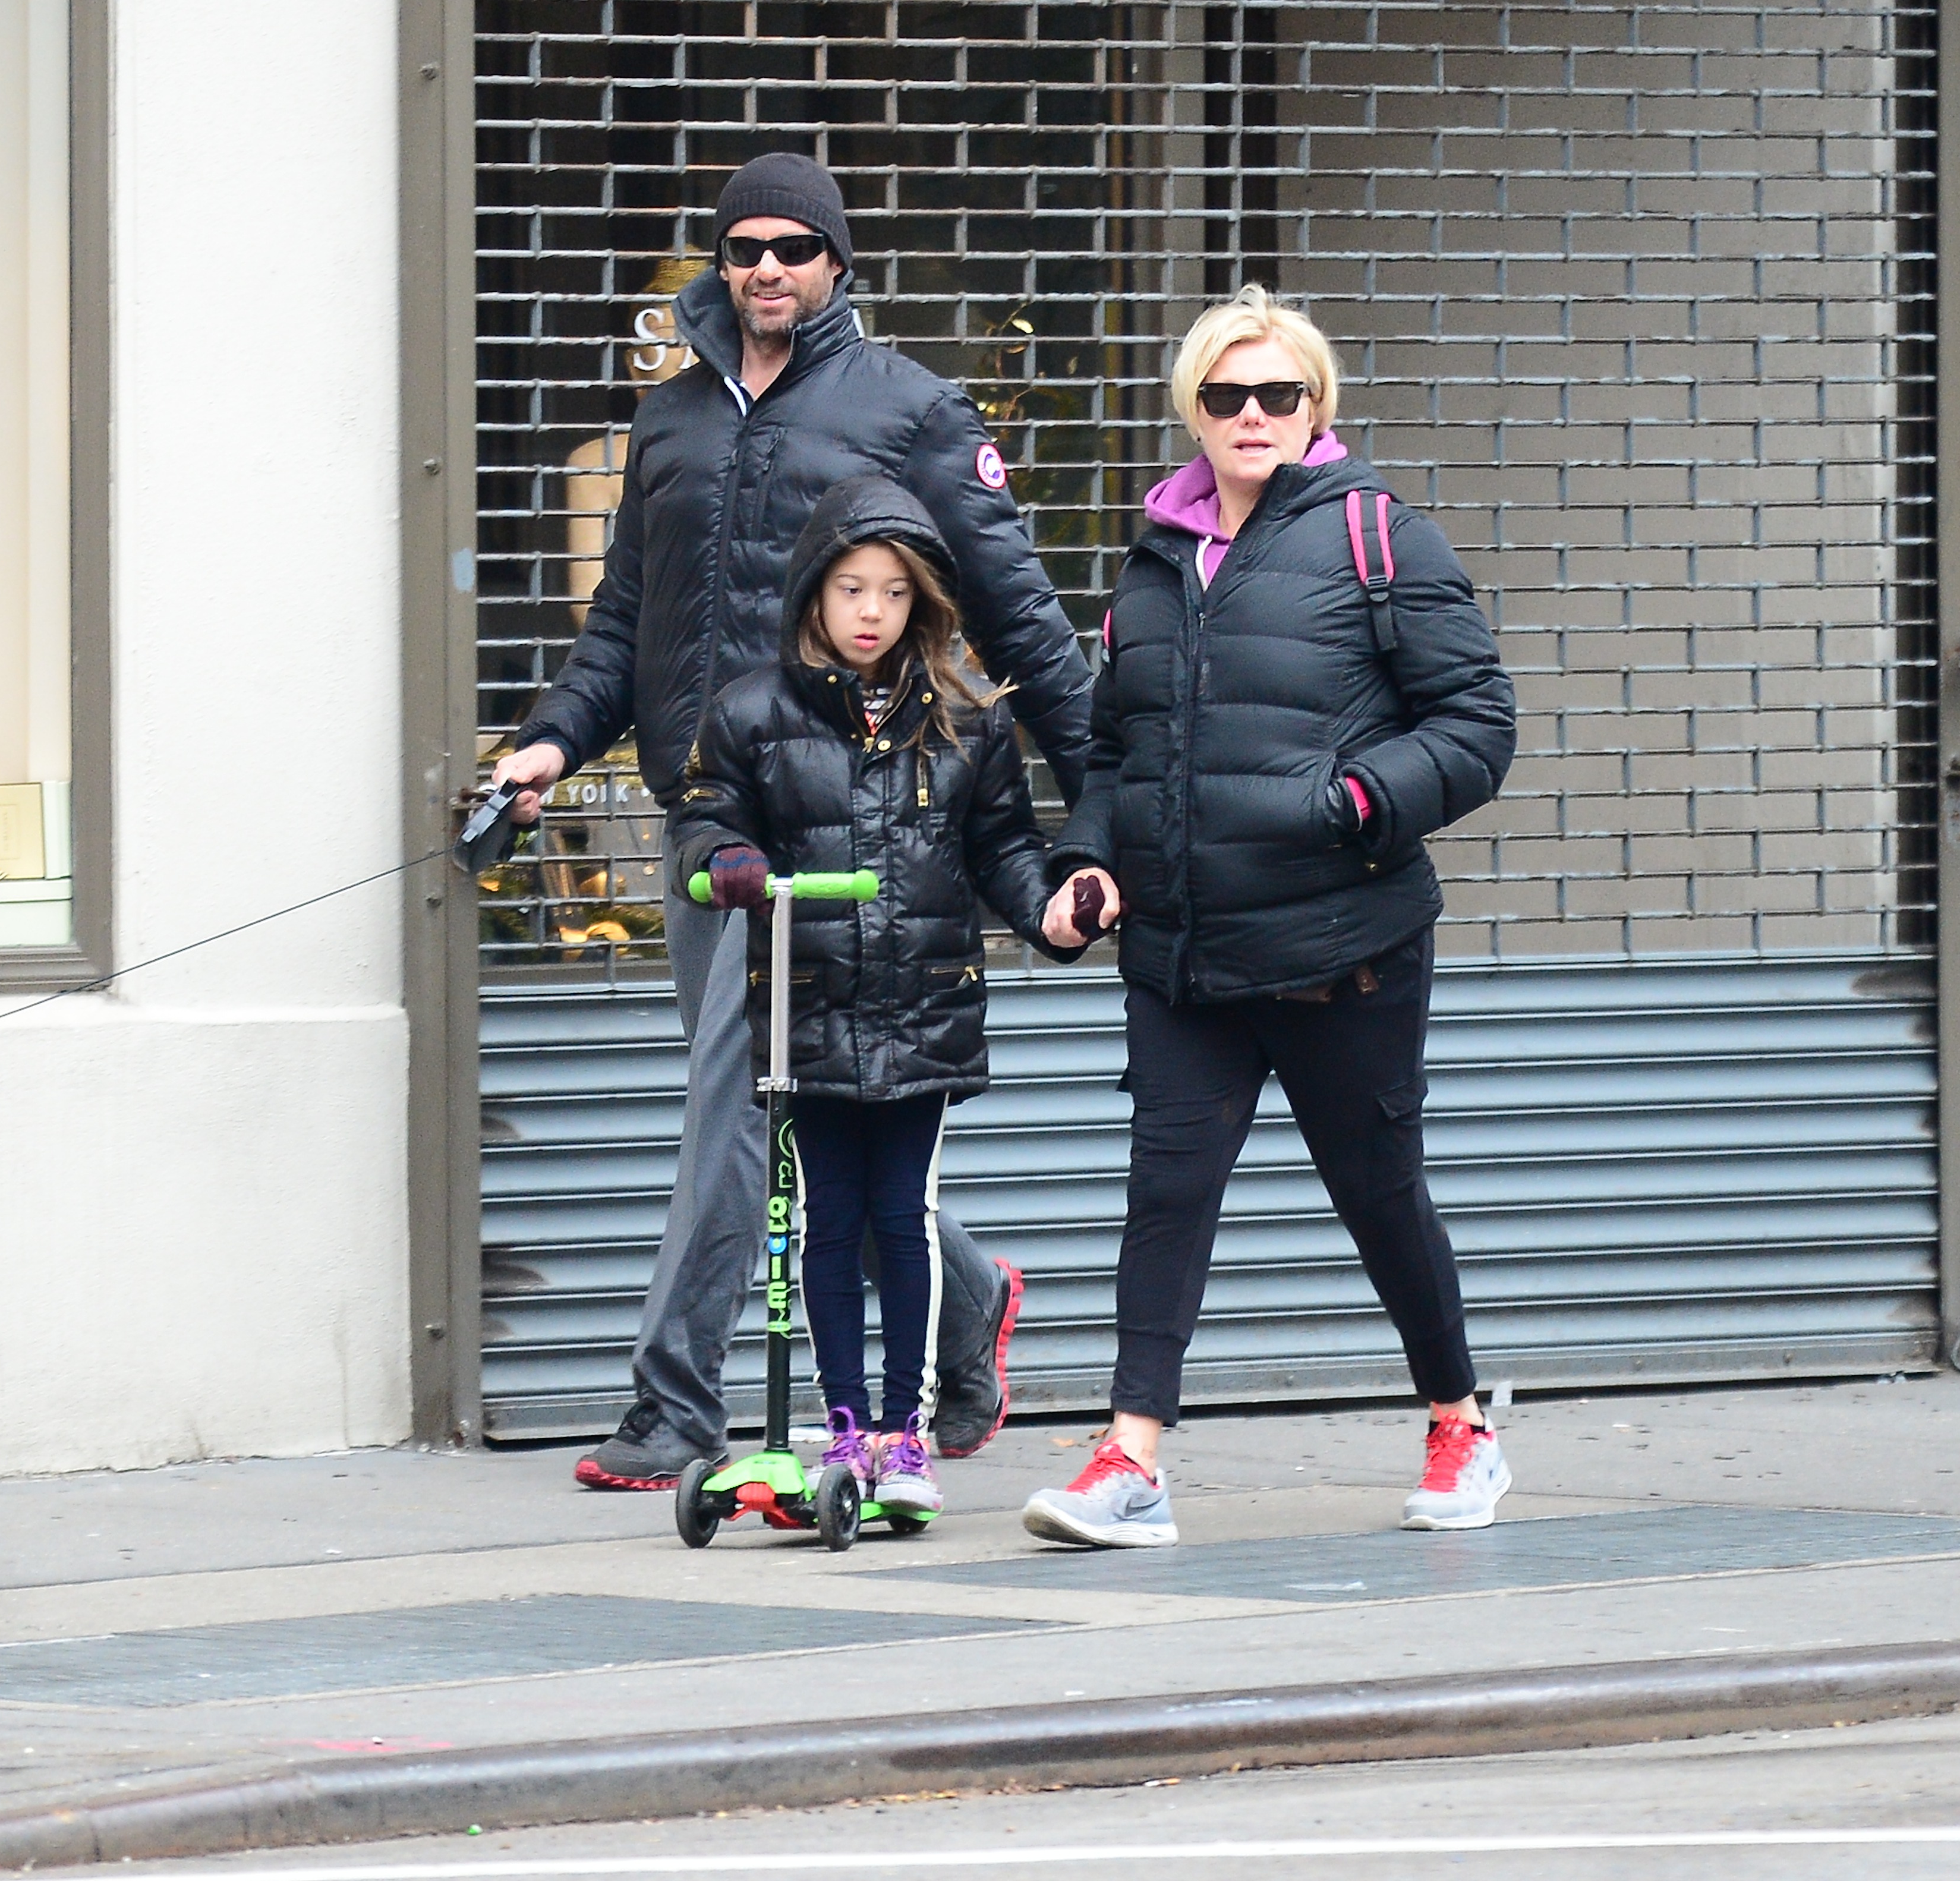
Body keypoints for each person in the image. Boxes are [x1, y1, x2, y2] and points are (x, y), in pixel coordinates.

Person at [491, 150, 1097, 1489]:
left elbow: (1019, 616)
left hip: (863, 827)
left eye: (794, 245)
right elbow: (619, 630)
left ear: (835, 263)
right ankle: (971, 1290)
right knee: (785, 1108)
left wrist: (1100, 805)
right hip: (715, 829)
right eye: (744, 244)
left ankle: (674, 1409)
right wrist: (547, 740)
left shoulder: (910, 409)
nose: (766, 266)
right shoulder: (668, 424)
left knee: (740, 1110)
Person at [1020, 286, 1516, 1549]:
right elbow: (1116, 747)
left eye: (1277, 394)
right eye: (1226, 395)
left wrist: (1355, 798)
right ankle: (1131, 1459)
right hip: (1183, 945)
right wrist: (1086, 861)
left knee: (1376, 1188)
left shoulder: (1377, 536)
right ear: (1194, 408)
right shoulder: (1154, 560)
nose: (1252, 416)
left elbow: (1474, 727)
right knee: (1166, 1191)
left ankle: (1459, 1420)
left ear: (1316, 406)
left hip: (1337, 942)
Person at [666, 477, 1080, 1514]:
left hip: (922, 1004)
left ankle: (906, 1430)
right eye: (850, 588)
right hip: (805, 1004)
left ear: (919, 606)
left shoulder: (967, 721)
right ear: (813, 592)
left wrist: (1052, 913)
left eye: (892, 594)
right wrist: (725, 857)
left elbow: (1002, 849)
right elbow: (705, 814)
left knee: (904, 1213)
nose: (868, 612)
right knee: (825, 1216)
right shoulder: (752, 714)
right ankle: (842, 1422)